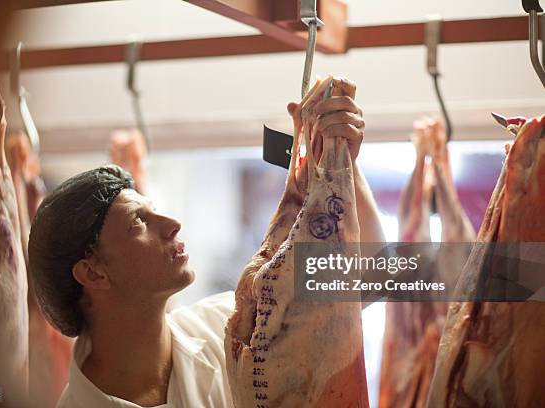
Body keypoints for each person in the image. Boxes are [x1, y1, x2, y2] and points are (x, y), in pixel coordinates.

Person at [28, 77, 384, 408]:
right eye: (139, 222)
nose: (172, 224)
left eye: (155, 212)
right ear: (92, 272)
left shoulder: (228, 327)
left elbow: (368, 279)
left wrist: (342, 163)